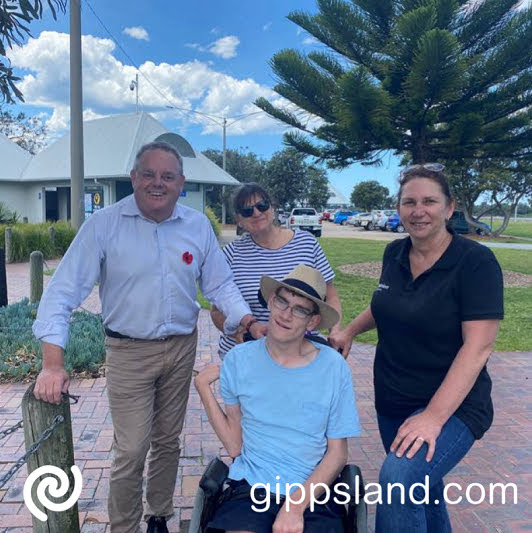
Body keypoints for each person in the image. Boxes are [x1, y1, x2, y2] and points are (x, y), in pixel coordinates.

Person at [32, 141, 258, 533]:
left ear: (181, 183)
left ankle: (158, 515)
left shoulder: (196, 226)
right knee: (132, 448)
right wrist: (53, 363)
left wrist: (248, 322)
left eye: (167, 176)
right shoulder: (104, 225)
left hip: (181, 346)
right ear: (134, 178)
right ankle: (123, 526)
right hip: (128, 351)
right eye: (149, 174)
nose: (158, 183)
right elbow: (62, 291)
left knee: (168, 440)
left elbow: (221, 285)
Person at [333, 164, 504, 532]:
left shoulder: (475, 263)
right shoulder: (394, 254)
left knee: (399, 481)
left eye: (429, 201)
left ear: (449, 207)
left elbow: (478, 347)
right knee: (422, 492)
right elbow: (385, 303)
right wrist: (348, 331)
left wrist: (433, 417)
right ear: (398, 209)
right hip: (394, 400)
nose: (418, 210)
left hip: (453, 407)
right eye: (409, 202)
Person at [195, 264, 361, 533]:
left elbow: (338, 453)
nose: (286, 314)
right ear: (271, 301)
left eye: (300, 309)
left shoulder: (333, 367)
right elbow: (236, 447)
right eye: (282, 301)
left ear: (313, 321)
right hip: (252, 489)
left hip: (311, 492)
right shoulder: (239, 360)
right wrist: (203, 389)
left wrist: (294, 507)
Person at [211, 182, 344, 358]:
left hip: (299, 350)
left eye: (262, 205)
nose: (257, 213)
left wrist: (335, 331)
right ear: (239, 220)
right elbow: (216, 310)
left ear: (272, 208)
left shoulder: (307, 243)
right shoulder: (231, 254)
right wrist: (240, 334)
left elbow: (330, 295)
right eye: (247, 210)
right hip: (247, 351)